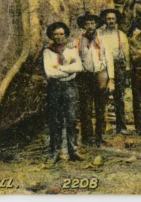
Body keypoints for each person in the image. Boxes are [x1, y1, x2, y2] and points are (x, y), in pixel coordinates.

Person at [42, 22, 84, 164]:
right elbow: (49, 72)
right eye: (55, 34)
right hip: (55, 88)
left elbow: (78, 67)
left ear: (65, 35)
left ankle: (73, 150)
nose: (59, 37)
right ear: (51, 36)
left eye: (61, 34)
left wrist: (60, 68)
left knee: (72, 118)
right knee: (55, 119)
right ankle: (55, 152)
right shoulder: (48, 52)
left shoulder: (71, 50)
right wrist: (67, 69)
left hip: (70, 86)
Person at [75, 11, 115, 147]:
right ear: (83, 26)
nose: (90, 26)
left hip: (100, 75)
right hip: (85, 76)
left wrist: (111, 79)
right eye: (87, 24)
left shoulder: (102, 40)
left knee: (100, 107)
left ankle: (100, 136)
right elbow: (75, 58)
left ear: (97, 25)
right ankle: (87, 137)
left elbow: (109, 59)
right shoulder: (79, 41)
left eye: (92, 23)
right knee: (85, 108)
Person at [99, 8, 131, 135]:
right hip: (104, 66)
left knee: (119, 96)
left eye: (113, 19)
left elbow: (126, 53)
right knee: (102, 96)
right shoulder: (100, 34)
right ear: (104, 20)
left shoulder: (121, 35)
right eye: (108, 19)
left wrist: (127, 69)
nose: (111, 21)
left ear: (116, 20)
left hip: (118, 66)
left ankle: (121, 126)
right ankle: (102, 127)